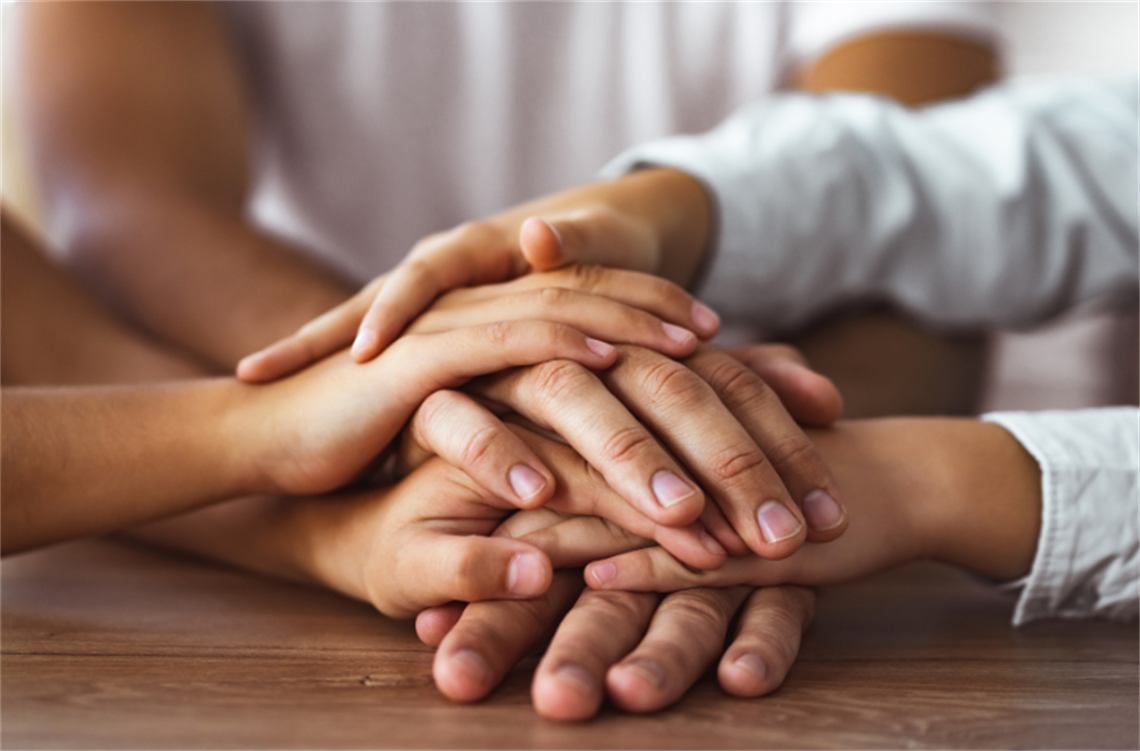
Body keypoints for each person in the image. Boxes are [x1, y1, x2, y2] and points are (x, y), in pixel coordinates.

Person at [9, 0, 1003, 716]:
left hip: (725, 483)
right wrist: (449, 384)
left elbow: (912, 243)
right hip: (407, 472)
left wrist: (693, 478)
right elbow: (138, 216)